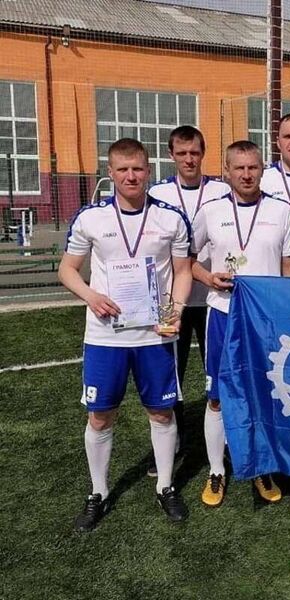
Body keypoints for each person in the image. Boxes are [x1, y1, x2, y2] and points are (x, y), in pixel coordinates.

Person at [59, 138, 192, 532]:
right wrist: (91, 296)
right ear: (110, 172)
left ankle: (165, 486)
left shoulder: (170, 218)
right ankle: (98, 492)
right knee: (100, 416)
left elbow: (183, 271)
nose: (130, 176)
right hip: (106, 337)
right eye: (122, 169)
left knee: (161, 412)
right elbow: (67, 269)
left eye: (137, 169)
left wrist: (175, 310)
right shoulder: (91, 218)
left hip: (155, 336)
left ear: (148, 170)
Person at [193, 140, 290, 508]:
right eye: (239, 168)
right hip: (223, 314)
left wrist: (289, 308)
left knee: (263, 392)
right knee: (217, 397)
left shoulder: (282, 211)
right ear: (226, 171)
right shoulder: (210, 211)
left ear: (263, 169)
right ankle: (216, 470)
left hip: (265, 320)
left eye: (253, 167)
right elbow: (188, 262)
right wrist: (208, 278)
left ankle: (261, 466)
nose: (247, 174)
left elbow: (288, 265)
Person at [147, 126, 230, 476]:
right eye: (182, 153)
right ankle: (175, 439)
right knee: (171, 371)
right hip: (173, 299)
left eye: (194, 152)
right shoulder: (158, 192)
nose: (189, 159)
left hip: (214, 299)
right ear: (171, 155)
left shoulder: (221, 190)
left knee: (221, 371)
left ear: (203, 152)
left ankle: (225, 441)